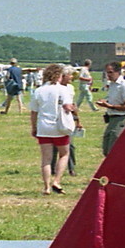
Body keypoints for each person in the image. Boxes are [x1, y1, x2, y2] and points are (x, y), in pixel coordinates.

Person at [30, 63, 80, 194]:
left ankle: (46, 187)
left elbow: (34, 111)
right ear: (59, 76)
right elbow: (68, 106)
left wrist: (34, 127)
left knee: (46, 158)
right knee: (64, 154)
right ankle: (57, 181)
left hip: (43, 126)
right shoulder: (63, 89)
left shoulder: (39, 90)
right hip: (59, 127)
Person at [97, 61, 125, 154]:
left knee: (112, 149)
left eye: (110, 72)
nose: (108, 75)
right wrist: (105, 102)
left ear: (118, 72)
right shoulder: (112, 84)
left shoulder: (124, 85)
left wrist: (110, 106)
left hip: (120, 118)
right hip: (111, 118)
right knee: (106, 147)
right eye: (107, 72)